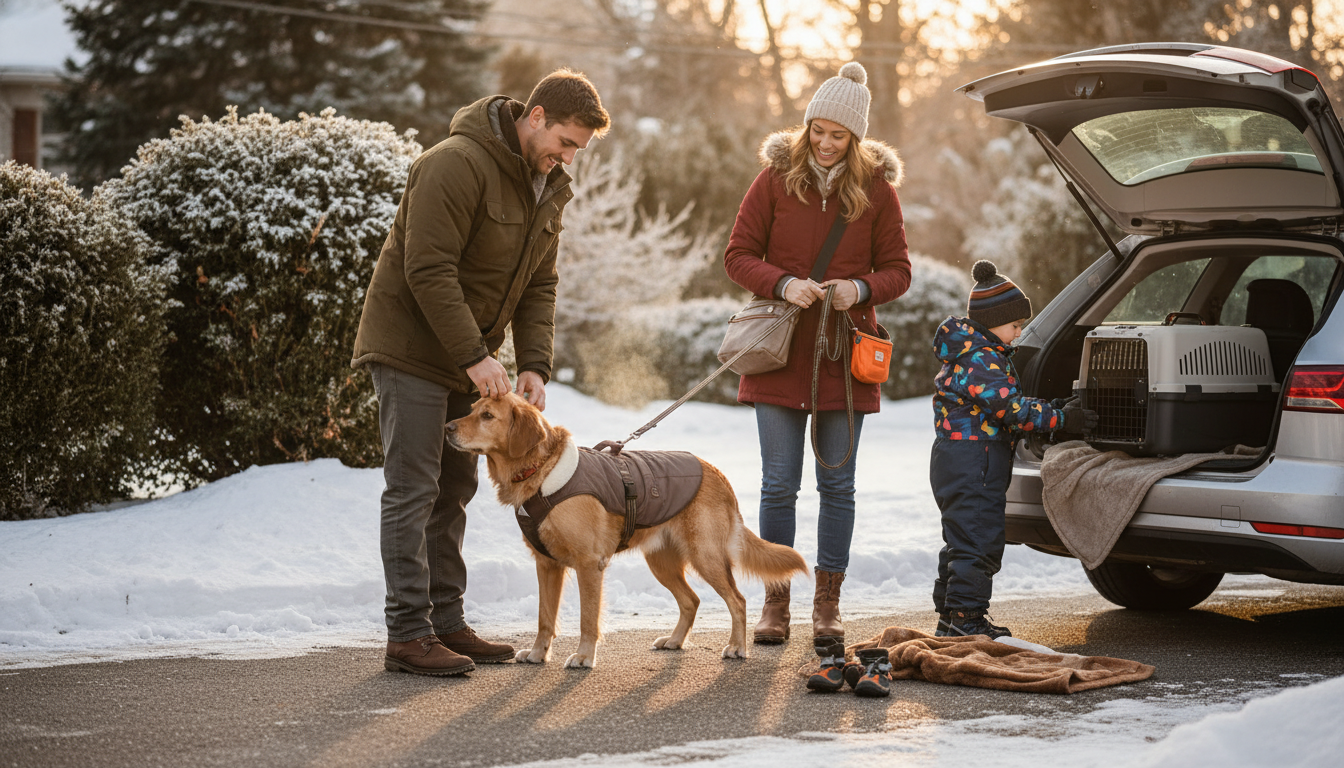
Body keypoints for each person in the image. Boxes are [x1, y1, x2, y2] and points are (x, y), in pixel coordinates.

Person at [351, 69, 610, 676]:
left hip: (465, 361)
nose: (568, 157)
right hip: (412, 350)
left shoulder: (546, 185)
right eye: (566, 142)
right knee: (413, 489)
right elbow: (429, 268)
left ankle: (446, 623)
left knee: (455, 489)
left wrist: (535, 365)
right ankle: (409, 636)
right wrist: (476, 356)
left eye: (578, 150)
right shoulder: (455, 163)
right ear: (537, 115)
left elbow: (539, 284)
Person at [723, 62, 912, 647]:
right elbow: (737, 254)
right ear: (806, 128)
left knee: (839, 488)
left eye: (839, 135)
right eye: (818, 131)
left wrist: (859, 289)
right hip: (779, 355)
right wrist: (783, 284)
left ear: (856, 139)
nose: (826, 144)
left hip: (844, 359)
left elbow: (899, 272)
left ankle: (827, 605)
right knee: (778, 485)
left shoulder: (877, 191)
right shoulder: (774, 180)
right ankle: (775, 605)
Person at [929, 260, 1097, 638]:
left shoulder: (971, 354)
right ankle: (966, 620)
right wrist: (1060, 419)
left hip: (959, 458)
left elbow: (1006, 403)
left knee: (962, 539)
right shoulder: (980, 358)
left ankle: (950, 615)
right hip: (975, 459)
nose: (1019, 333)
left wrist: (1048, 407)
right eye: (1016, 325)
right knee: (978, 541)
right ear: (993, 320)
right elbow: (1011, 409)